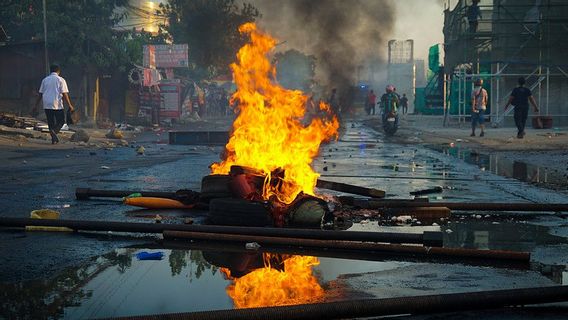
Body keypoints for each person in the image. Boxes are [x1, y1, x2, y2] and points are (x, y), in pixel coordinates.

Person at [35, 64, 74, 144]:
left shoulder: (45, 80)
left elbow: (40, 94)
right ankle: (54, 132)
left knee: (50, 121)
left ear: (50, 71)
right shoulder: (61, 80)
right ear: (58, 71)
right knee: (61, 121)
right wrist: (70, 105)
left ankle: (54, 139)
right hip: (57, 104)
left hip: (47, 104)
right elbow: (65, 94)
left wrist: (36, 105)